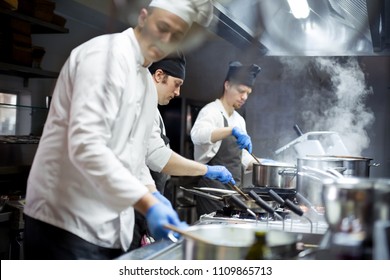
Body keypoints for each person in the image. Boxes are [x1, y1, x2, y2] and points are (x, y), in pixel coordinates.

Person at [23, 0, 235, 260]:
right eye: (162, 27)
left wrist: (154, 194)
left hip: (109, 227)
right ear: (144, 18)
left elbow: (137, 158)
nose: (166, 39)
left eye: (176, 36)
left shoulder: (145, 81)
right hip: (66, 223)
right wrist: (147, 203)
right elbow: (85, 147)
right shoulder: (106, 57)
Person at [129, 51, 186, 250]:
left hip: (146, 202)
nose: (178, 92)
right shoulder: (142, 105)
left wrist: (154, 194)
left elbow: (143, 159)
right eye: (177, 84)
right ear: (159, 76)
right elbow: (155, 157)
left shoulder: (154, 110)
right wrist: (205, 170)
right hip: (134, 209)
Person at [190, 61, 262, 217]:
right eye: (241, 91)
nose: (244, 97)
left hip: (234, 191)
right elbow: (197, 135)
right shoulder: (211, 111)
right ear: (227, 85)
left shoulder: (239, 120)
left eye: (248, 93)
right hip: (213, 191)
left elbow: (241, 157)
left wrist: (263, 166)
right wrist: (230, 131)